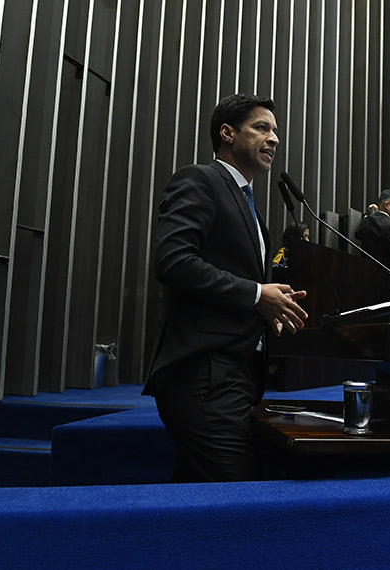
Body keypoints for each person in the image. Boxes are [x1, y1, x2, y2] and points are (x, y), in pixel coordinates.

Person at [144, 93, 308, 483]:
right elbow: (173, 261)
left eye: (276, 131)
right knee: (236, 496)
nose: (274, 139)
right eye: (262, 128)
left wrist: (272, 309)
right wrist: (256, 294)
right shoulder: (200, 179)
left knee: (200, 498)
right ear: (227, 133)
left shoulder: (249, 205)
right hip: (205, 374)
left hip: (238, 372)